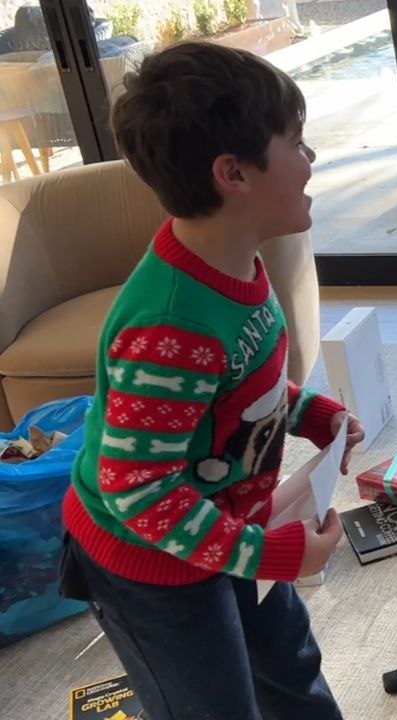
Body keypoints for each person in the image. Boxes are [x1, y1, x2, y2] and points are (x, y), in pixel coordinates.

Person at [56, 42, 364, 720]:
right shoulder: (172, 327)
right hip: (151, 564)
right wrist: (267, 553)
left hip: (231, 523)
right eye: (297, 144)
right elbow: (140, 492)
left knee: (289, 667)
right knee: (215, 705)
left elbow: (234, 392)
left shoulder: (239, 264)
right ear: (235, 174)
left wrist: (306, 410)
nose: (310, 160)